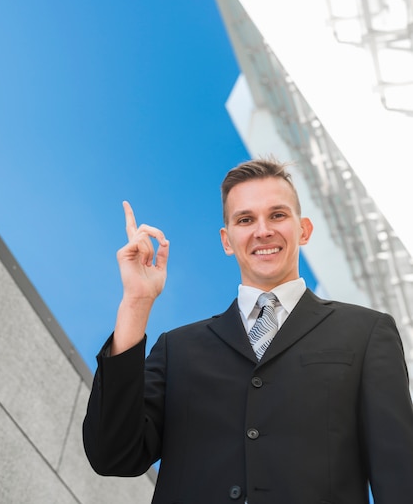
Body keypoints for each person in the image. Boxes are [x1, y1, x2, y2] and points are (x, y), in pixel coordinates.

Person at [83, 158, 413, 504]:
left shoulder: (366, 333)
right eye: (245, 219)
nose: (262, 230)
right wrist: (136, 303)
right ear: (227, 240)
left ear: (304, 230)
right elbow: (112, 454)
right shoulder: (178, 349)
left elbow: (400, 476)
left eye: (278, 215)